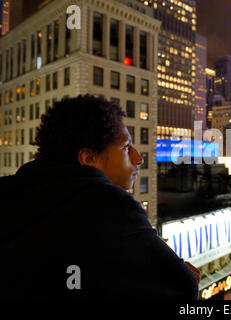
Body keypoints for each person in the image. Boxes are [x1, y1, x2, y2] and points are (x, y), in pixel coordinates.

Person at [0, 95, 200, 300]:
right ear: (88, 159)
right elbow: (183, 288)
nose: (138, 159)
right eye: (125, 148)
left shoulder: (9, 195)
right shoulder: (110, 206)